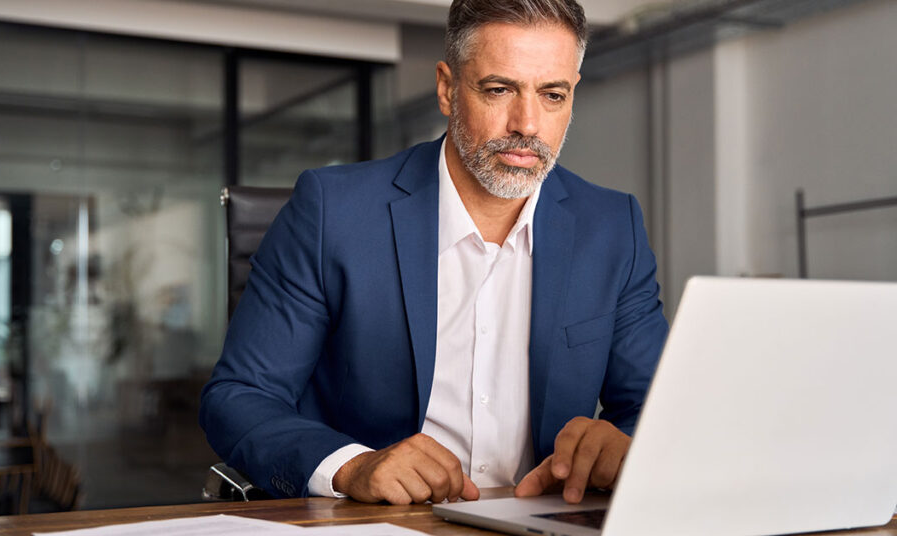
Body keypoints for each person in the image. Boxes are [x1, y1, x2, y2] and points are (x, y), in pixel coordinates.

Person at [200, 0, 668, 506]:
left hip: (546, 521)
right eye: (498, 89)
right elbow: (239, 398)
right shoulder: (332, 212)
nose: (527, 124)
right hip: (377, 524)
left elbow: (655, 407)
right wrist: (352, 467)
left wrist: (624, 446)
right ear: (447, 89)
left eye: (552, 95)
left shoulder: (611, 227)